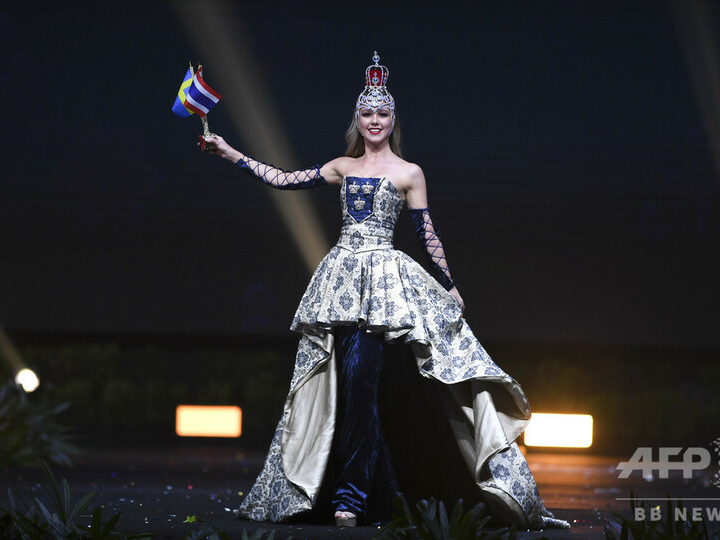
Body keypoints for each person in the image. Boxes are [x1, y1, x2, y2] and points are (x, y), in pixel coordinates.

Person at [203, 52, 569, 531]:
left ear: (393, 120)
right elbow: (284, 179)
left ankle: (353, 499)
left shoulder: (409, 172)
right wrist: (231, 153)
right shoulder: (342, 166)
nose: (374, 120)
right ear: (357, 119)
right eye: (367, 113)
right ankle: (354, 494)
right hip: (341, 283)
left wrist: (450, 284)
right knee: (340, 389)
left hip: (384, 286)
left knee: (362, 382)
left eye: (382, 113)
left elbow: (426, 231)